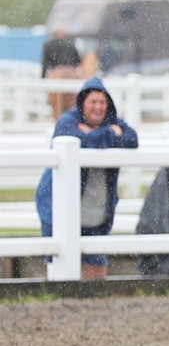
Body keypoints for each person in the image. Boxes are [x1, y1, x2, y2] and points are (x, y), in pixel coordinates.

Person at [35, 77, 140, 279]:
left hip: (97, 212)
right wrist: (110, 134)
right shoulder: (67, 121)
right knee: (60, 264)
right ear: (83, 103)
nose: (98, 107)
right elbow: (75, 140)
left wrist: (98, 134)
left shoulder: (114, 121)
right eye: (93, 102)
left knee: (96, 268)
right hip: (60, 208)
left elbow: (132, 139)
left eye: (102, 102)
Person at [40, 27, 85, 119]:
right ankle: (68, 121)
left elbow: (45, 63)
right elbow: (78, 62)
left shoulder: (48, 45)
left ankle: (58, 121)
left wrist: (43, 78)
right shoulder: (70, 44)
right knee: (71, 103)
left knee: (55, 104)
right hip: (70, 74)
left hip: (55, 73)